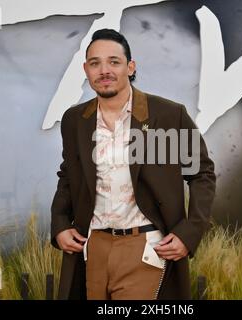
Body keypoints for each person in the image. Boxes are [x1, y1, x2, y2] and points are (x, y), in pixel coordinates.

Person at [51, 28, 216, 300]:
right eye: (95, 63)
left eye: (114, 62)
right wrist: (59, 223)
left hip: (145, 247)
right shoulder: (74, 119)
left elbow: (202, 174)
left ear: (130, 66)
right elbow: (68, 175)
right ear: (86, 70)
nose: (104, 70)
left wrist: (190, 231)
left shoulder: (168, 115)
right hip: (92, 247)